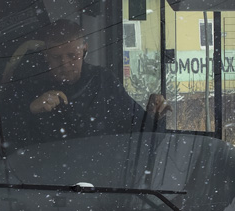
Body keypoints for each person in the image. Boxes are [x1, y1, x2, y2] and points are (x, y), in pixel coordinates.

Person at [19, 19, 167, 142]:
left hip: (100, 171)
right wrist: (31, 109)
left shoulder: (103, 81)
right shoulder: (29, 85)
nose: (64, 64)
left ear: (84, 50)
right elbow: (7, 136)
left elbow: (136, 130)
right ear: (46, 55)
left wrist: (154, 116)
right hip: (44, 171)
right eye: (56, 57)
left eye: (72, 55)